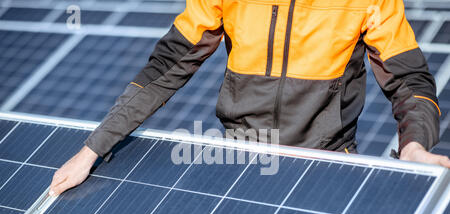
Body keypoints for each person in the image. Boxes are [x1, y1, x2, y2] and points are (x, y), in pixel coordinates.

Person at [49, 0, 450, 196]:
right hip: (238, 164)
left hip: (327, 169)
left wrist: (413, 146)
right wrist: (93, 148)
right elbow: (167, 66)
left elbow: (410, 79)